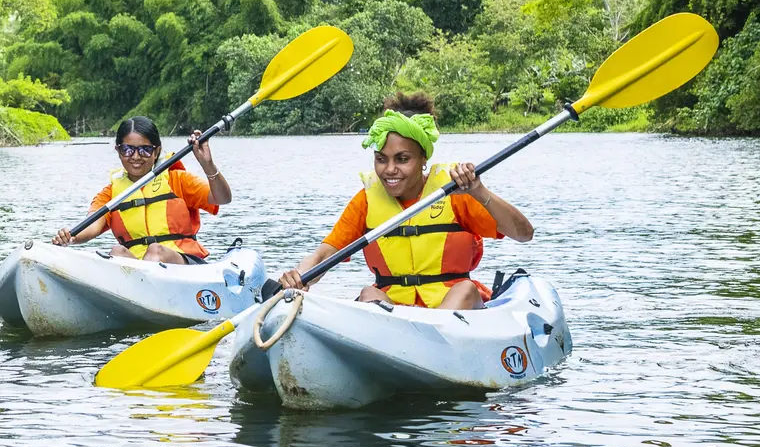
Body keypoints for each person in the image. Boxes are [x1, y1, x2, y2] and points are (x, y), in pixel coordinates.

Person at [276, 92, 533, 310]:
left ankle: (431, 344)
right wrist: (299, 277)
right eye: (381, 159)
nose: (389, 169)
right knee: (368, 294)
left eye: (402, 159)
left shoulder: (456, 193)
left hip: (454, 310)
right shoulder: (366, 201)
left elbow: (523, 234)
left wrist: (478, 190)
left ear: (423, 159)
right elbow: (325, 254)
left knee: (465, 289)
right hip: (395, 313)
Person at [53, 115, 232, 264]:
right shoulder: (111, 194)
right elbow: (92, 225)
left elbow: (223, 198)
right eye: (127, 150)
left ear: (157, 151)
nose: (136, 157)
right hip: (138, 270)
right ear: (118, 150)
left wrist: (207, 164)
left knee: (156, 251)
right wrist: (72, 236)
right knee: (117, 252)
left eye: (145, 150)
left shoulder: (178, 180)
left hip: (184, 264)